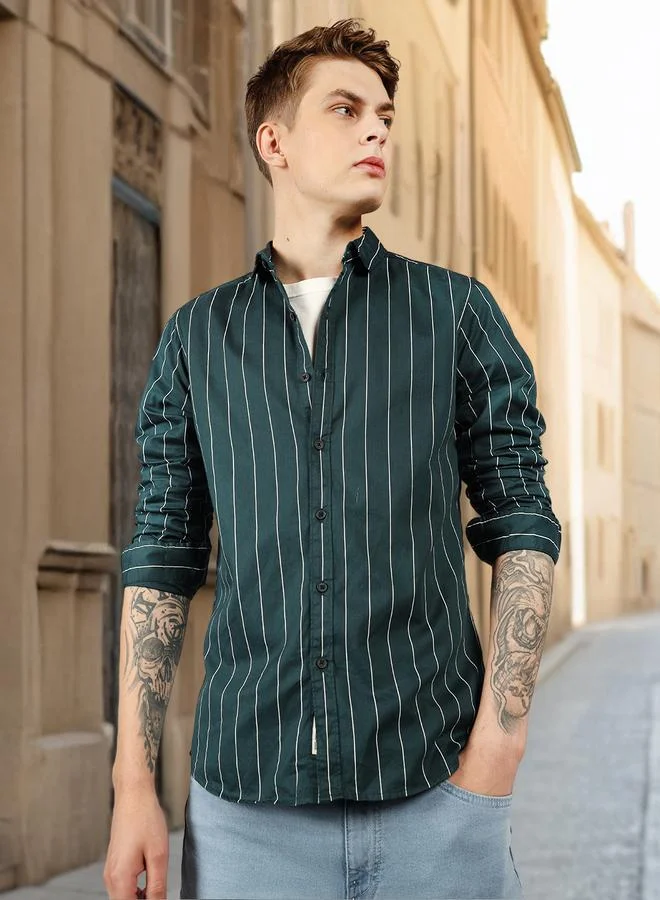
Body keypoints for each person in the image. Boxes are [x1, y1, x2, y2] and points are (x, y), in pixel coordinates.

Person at [104, 17, 560, 900]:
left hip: (437, 796)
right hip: (247, 817)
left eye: (384, 115)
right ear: (273, 142)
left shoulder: (457, 314)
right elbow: (162, 557)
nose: (376, 130)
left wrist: (498, 750)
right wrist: (134, 789)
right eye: (345, 110)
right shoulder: (198, 339)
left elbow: (522, 522)